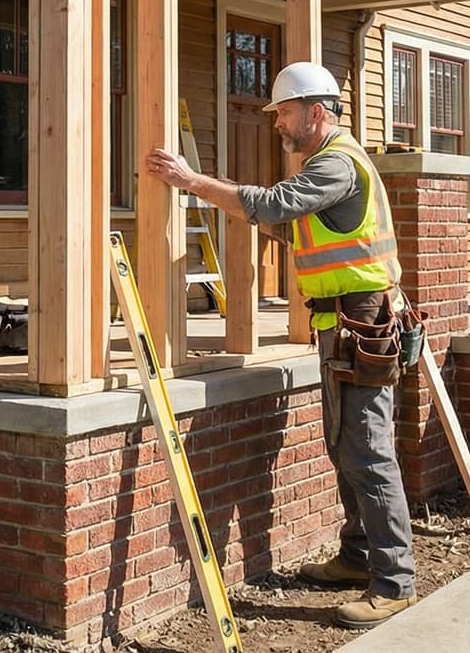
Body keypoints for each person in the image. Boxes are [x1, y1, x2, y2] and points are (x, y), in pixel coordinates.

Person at [143, 61, 417, 630]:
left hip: (361, 322)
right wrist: (238, 203)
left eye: (284, 113)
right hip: (344, 324)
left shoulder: (336, 163)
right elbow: (291, 226)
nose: (276, 124)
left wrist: (195, 183)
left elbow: (273, 205)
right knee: (345, 445)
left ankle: (395, 582)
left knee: (368, 450)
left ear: (316, 112)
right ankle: (358, 556)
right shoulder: (329, 164)